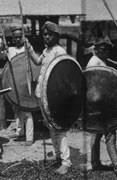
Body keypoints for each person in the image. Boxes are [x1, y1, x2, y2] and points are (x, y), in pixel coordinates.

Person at [27, 21, 72, 175]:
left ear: (56, 36)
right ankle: (58, 156)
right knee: (51, 127)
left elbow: (65, 73)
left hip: (54, 96)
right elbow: (38, 61)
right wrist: (29, 48)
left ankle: (66, 162)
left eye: (49, 34)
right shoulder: (47, 50)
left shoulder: (59, 51)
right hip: (42, 93)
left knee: (58, 127)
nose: (46, 37)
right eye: (44, 34)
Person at [86, 37, 117, 180]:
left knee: (96, 134)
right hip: (100, 105)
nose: (105, 51)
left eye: (107, 49)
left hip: (97, 106)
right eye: (102, 49)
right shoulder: (95, 63)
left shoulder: (102, 61)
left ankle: (95, 163)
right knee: (110, 137)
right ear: (96, 49)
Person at [0, 27, 34, 146]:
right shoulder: (10, 50)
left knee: (27, 110)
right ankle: (19, 132)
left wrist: (28, 43)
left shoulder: (27, 49)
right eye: (15, 37)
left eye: (19, 37)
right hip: (14, 83)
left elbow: (34, 63)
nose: (17, 39)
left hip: (25, 83)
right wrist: (1, 41)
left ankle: (29, 137)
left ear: (23, 37)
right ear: (12, 39)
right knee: (16, 108)